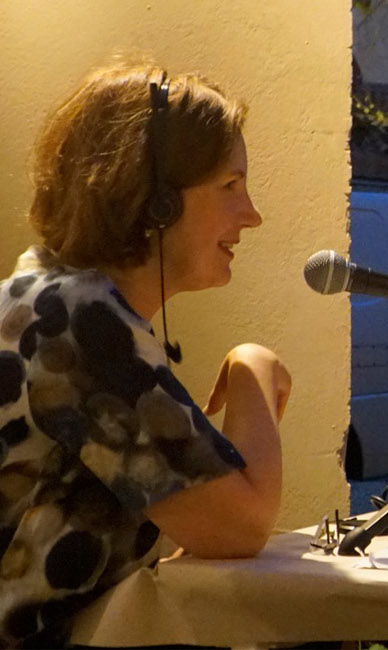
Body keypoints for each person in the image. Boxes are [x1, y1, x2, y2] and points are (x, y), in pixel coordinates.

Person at [0, 61, 289, 647]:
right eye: (229, 186)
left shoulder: (41, 298)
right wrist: (253, 368)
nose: (251, 215)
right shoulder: (78, 323)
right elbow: (239, 525)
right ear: (151, 199)